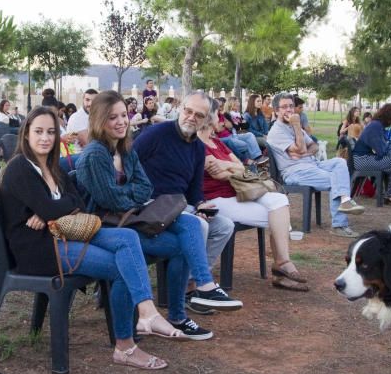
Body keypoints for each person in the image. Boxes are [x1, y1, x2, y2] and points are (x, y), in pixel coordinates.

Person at [0, 105, 184, 366]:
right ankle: (125, 347)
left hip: (69, 232)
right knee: (122, 266)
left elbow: (78, 202)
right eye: (38, 131)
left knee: (128, 239)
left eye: (51, 132)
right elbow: (59, 205)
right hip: (41, 249)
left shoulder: (51, 165)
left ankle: (147, 312)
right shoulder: (20, 167)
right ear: (26, 133)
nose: (45, 138)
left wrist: (50, 211)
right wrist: (51, 208)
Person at [75, 90, 236, 338]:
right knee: (184, 233)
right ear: (98, 120)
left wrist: (130, 193)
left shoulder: (124, 148)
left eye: (122, 115)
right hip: (106, 227)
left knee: (189, 232)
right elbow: (111, 199)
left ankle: (191, 300)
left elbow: (144, 188)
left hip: (132, 218)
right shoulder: (96, 153)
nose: (120, 122)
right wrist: (133, 193)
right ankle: (140, 324)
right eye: (112, 117)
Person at [131, 92, 244, 312]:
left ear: (207, 120)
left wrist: (200, 204)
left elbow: (194, 190)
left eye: (199, 115)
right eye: (188, 111)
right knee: (198, 225)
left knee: (224, 226)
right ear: (181, 109)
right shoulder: (156, 134)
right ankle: (196, 288)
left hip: (180, 206)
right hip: (151, 204)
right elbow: (128, 162)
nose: (191, 117)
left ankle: (193, 284)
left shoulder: (198, 148)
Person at [197, 99, 307, 292]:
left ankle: (282, 263)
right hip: (217, 199)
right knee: (279, 218)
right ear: (208, 117)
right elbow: (218, 173)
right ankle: (280, 269)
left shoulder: (216, 143)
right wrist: (232, 168)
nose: (221, 118)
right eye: (218, 114)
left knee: (280, 200)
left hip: (239, 191)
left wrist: (227, 167)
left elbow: (242, 167)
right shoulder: (199, 145)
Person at [268, 92, 364, 237]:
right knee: (335, 178)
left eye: (291, 106)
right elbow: (300, 147)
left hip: (312, 164)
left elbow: (314, 146)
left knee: (339, 162)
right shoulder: (276, 131)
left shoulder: (295, 127)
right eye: (284, 107)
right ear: (276, 111)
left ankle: (345, 200)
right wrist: (296, 125)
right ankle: (340, 225)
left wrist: (304, 153)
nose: (289, 110)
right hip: (294, 172)